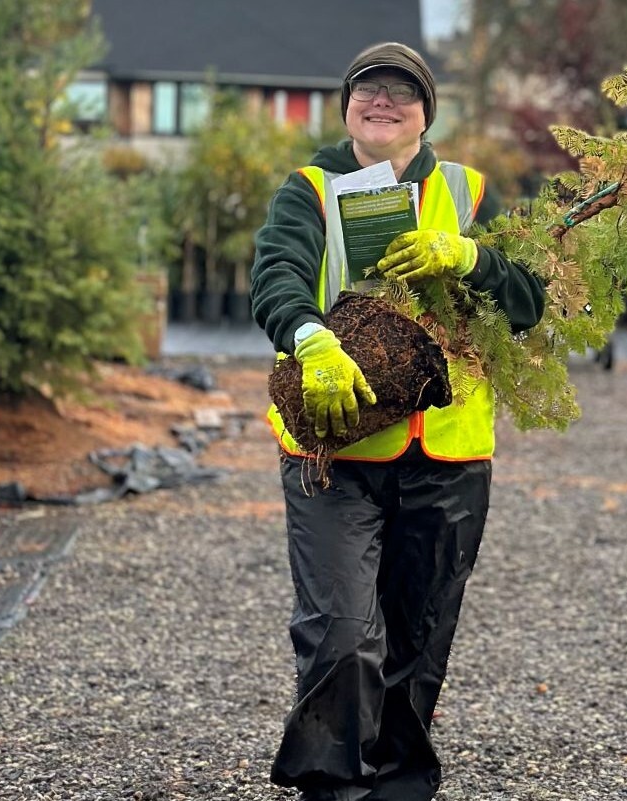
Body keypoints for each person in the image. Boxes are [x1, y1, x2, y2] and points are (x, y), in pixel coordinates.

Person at [250, 41, 546, 801]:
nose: (382, 103)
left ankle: (399, 789)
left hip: (447, 455)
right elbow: (277, 271)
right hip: (336, 447)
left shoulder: (471, 194)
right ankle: (332, 787)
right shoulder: (309, 189)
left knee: (418, 644)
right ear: (347, 104)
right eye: (367, 91)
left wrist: (470, 259)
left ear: (426, 113)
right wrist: (308, 335)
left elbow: (529, 300)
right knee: (344, 634)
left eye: (401, 93)